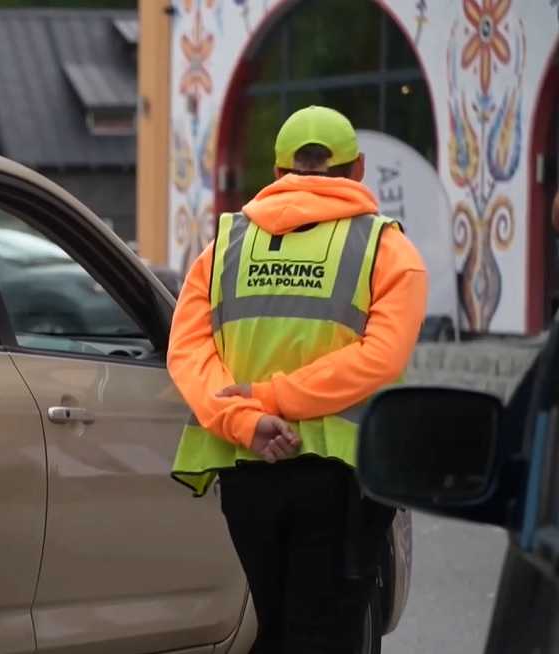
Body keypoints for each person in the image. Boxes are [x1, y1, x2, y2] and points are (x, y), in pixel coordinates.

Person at [167, 106, 428, 653]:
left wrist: (249, 416)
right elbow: (381, 357)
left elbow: (188, 351)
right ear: (357, 170)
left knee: (276, 626)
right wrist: (276, 398)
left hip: (249, 468)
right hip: (342, 479)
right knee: (324, 635)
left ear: (278, 171)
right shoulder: (387, 249)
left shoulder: (223, 249)